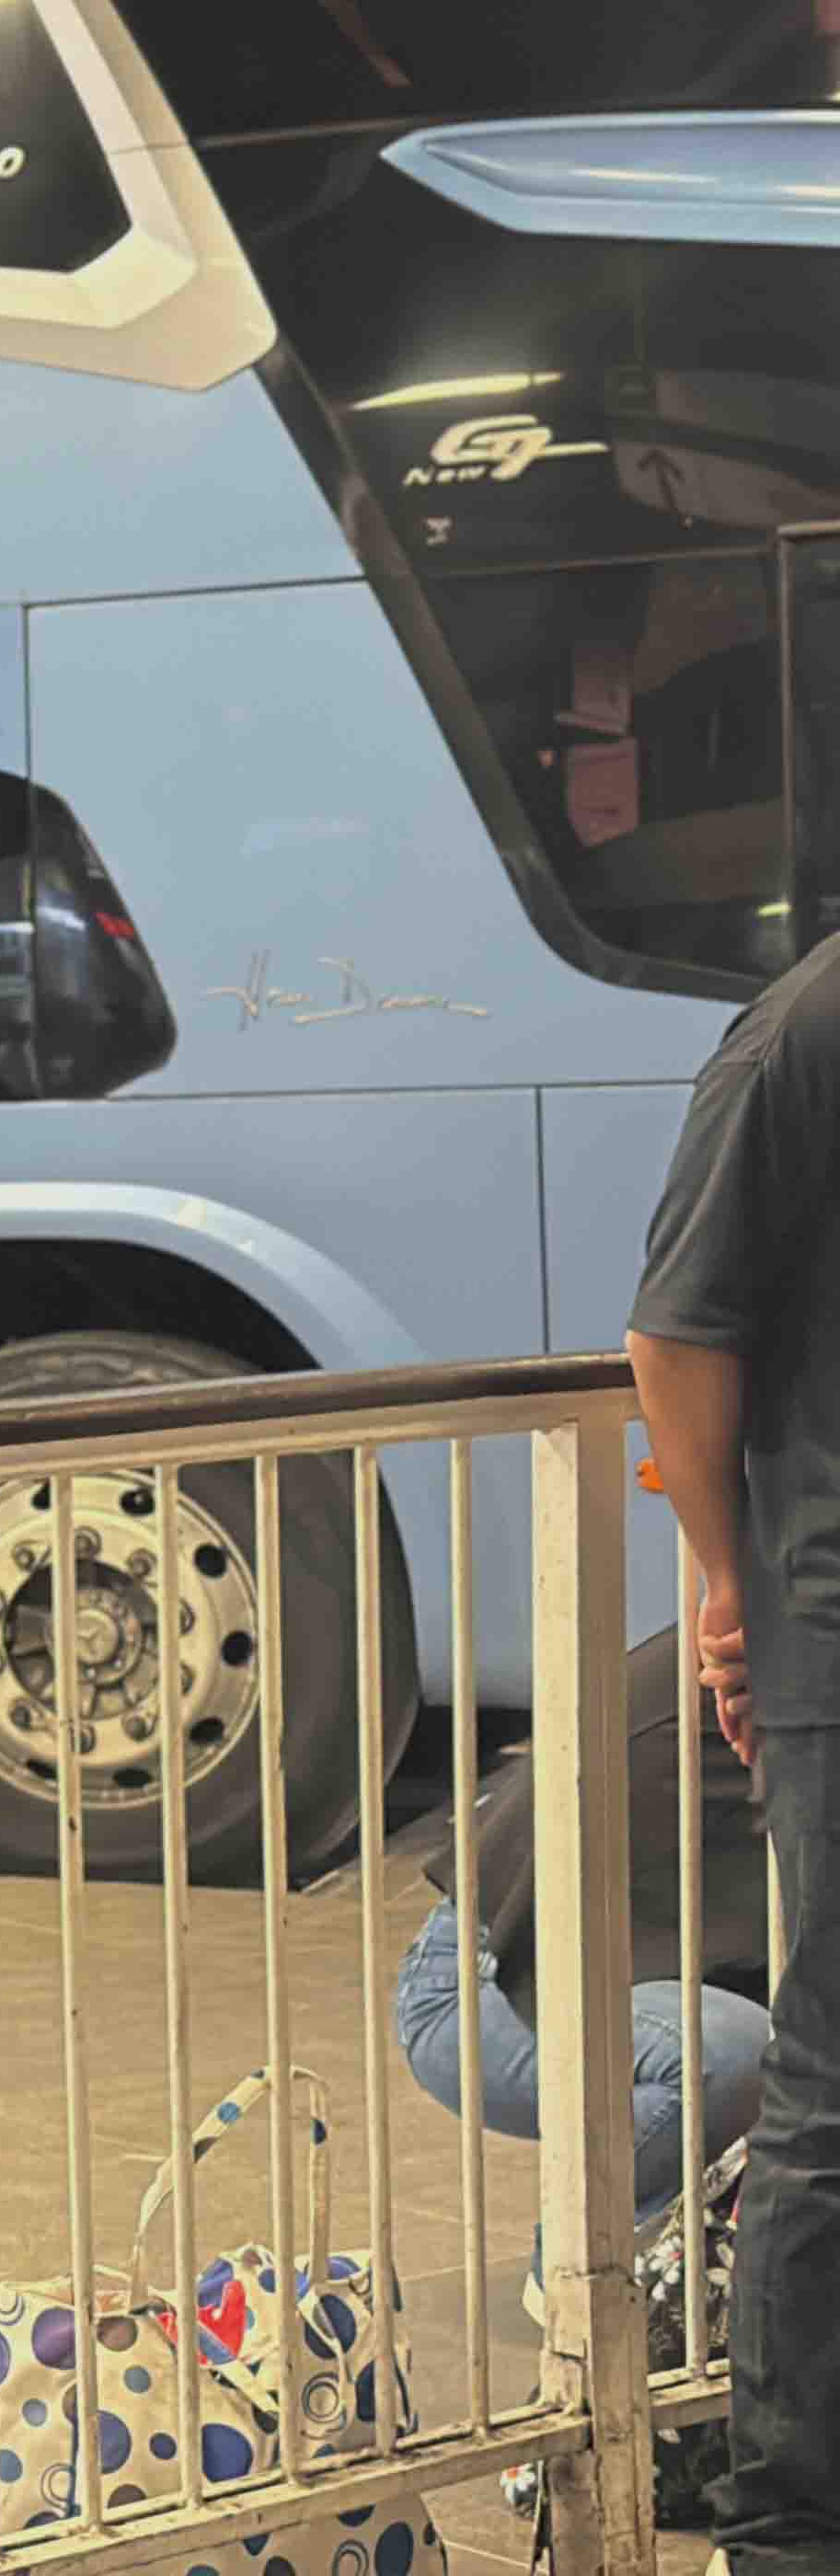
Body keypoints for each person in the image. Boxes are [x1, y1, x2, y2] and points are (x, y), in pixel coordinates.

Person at [627, 926, 840, 2576]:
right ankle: (787, 2528)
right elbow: (675, 1336)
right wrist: (727, 1578)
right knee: (834, 2091)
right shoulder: (801, 1031)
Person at [397, 1625, 768, 2266]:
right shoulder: (773, 1660)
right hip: (485, 1985)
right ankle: (585, 2266)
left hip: (630, 1973)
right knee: (734, 2056)